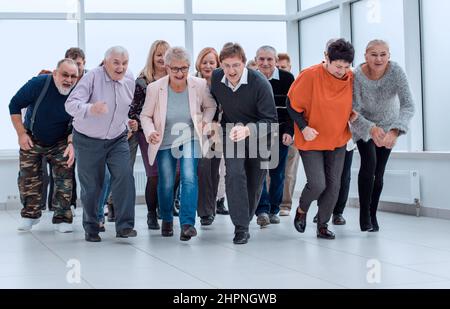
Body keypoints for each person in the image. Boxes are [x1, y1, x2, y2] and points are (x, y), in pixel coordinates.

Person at [140, 47, 216, 241]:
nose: (180, 73)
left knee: (189, 177)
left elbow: (210, 106)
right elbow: (145, 115)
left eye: (184, 68)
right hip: (165, 140)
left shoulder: (198, 84)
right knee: (166, 182)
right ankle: (166, 218)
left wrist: (206, 121)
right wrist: (150, 132)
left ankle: (187, 224)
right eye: (175, 69)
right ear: (167, 67)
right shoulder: (155, 88)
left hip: (190, 137)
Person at [66, 46, 137, 242]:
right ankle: (91, 227)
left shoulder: (129, 79)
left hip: (117, 139)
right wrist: (91, 108)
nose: (121, 67)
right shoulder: (92, 78)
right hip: (88, 139)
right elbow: (70, 104)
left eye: (124, 63)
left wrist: (128, 121)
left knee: (124, 176)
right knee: (92, 186)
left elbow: (123, 107)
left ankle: (124, 226)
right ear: (105, 62)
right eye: (116, 62)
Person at [287, 39, 357, 240]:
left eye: (346, 66)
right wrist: (303, 127)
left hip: (337, 139)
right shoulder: (310, 75)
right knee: (318, 184)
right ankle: (302, 210)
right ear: (326, 57)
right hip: (312, 138)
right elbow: (291, 104)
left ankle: (323, 225)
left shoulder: (350, 78)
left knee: (334, 185)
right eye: (337, 66)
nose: (341, 71)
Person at [210, 42, 278, 244]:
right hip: (232, 132)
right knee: (235, 174)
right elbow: (214, 102)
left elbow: (271, 122)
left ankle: (244, 220)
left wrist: (248, 129)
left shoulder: (259, 84)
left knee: (255, 182)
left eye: (236, 66)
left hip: (260, 136)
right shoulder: (216, 78)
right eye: (227, 65)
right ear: (221, 64)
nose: (231, 71)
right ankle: (241, 228)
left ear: (244, 64)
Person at [351, 39, 415, 232]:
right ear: (365, 56)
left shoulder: (396, 72)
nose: (378, 59)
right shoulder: (356, 75)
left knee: (378, 173)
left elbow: (408, 105)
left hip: (389, 125)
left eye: (383, 54)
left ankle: (373, 213)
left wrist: (395, 130)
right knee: (368, 164)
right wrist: (370, 128)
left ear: (389, 56)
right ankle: (364, 217)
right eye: (373, 54)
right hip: (363, 124)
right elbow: (353, 110)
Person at [9, 59, 78, 232]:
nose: (69, 80)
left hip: (62, 139)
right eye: (65, 75)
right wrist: (21, 134)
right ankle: (30, 215)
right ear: (55, 73)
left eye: (73, 76)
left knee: (64, 178)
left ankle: (62, 217)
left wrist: (71, 143)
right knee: (28, 178)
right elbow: (14, 104)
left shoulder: (79, 92)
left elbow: (79, 121)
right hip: (33, 137)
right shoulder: (38, 84)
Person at [128, 40, 171, 230]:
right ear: (152, 57)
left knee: (174, 173)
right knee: (154, 175)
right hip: (148, 133)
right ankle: (151, 213)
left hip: (171, 132)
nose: (162, 58)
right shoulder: (142, 81)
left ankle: (165, 207)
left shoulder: (176, 79)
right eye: (158, 54)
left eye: (165, 54)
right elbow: (134, 110)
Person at [254, 46, 295, 227]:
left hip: (280, 133)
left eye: (269, 59)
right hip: (259, 133)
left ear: (276, 61)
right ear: (256, 60)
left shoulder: (287, 79)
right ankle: (262, 210)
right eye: (261, 59)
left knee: (277, 174)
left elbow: (291, 109)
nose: (265, 63)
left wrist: (289, 131)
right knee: (260, 172)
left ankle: (273, 209)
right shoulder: (251, 78)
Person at [42, 47, 86, 211]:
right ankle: (63, 205)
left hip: (85, 132)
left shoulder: (89, 80)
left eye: (78, 64)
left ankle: (81, 205)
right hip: (65, 132)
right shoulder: (61, 82)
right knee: (64, 168)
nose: (75, 67)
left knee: (86, 171)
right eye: (72, 63)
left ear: (84, 63)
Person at [195, 47, 229, 226]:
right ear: (198, 64)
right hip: (195, 131)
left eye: (211, 62)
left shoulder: (222, 82)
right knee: (202, 170)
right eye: (204, 62)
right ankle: (203, 210)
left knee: (213, 171)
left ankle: (209, 210)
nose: (208, 66)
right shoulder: (192, 82)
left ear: (217, 65)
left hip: (217, 131)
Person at [277, 52, 299, 217]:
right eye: (278, 67)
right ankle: (273, 203)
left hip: (292, 131)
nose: (279, 70)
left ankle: (285, 204)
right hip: (271, 133)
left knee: (289, 170)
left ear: (290, 67)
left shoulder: (295, 82)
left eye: (283, 67)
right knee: (271, 170)